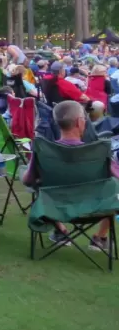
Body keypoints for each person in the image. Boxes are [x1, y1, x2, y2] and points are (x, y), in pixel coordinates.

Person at [23, 100, 114, 252]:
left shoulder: (44, 149)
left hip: (55, 206)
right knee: (112, 185)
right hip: (95, 206)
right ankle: (100, 237)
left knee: (38, 184)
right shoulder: (97, 151)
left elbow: (28, 181)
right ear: (79, 122)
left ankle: (61, 231)